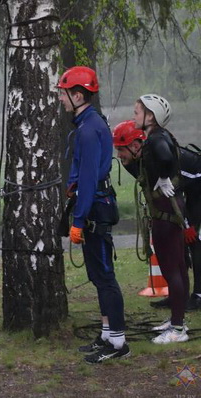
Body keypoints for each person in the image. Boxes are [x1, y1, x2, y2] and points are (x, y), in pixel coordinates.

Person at [58, 66, 129, 363]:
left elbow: (88, 180)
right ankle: (105, 335)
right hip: (96, 204)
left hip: (95, 208)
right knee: (97, 275)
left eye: (63, 94)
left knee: (104, 276)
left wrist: (77, 221)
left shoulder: (88, 130)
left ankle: (118, 343)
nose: (61, 100)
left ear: (77, 95)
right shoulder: (91, 123)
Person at [113, 120, 201, 312]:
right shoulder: (134, 160)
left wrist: (188, 224)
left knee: (194, 239)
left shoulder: (155, 160)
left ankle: (198, 295)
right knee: (179, 242)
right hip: (185, 189)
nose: (118, 155)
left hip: (197, 186)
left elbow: (176, 195)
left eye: (121, 149)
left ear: (136, 146)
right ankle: (179, 294)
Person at [129, 94, 189, 343]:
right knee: (176, 267)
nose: (134, 116)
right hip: (170, 208)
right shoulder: (159, 136)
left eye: (137, 112)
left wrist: (163, 177)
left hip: (167, 210)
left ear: (150, 116)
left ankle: (177, 328)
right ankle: (178, 320)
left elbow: (164, 158)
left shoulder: (155, 138)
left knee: (171, 267)